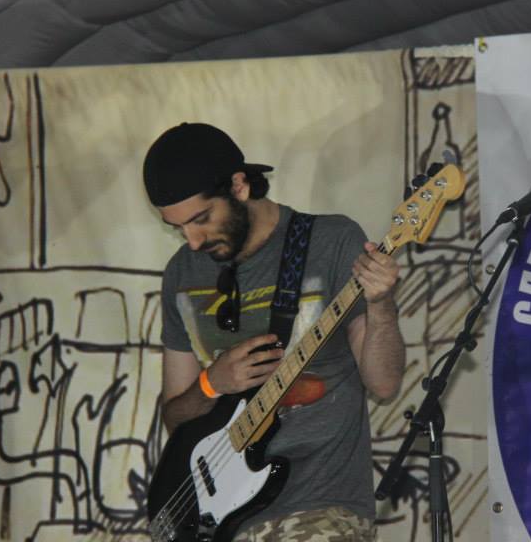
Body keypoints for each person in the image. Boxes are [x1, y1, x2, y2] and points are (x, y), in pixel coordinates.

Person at [142, 122, 404, 541]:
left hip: (321, 504)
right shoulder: (181, 274)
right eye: (179, 229)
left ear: (239, 186)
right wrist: (212, 384)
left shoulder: (332, 241)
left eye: (201, 219)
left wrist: (381, 304)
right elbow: (176, 418)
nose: (192, 241)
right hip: (222, 520)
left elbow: (384, 382)